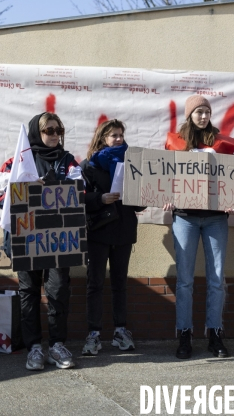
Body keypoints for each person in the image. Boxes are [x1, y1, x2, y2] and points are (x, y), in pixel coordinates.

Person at [0, 112, 82, 370]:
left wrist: (54, 183)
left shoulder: (68, 161)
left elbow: (81, 189)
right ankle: (34, 347)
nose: (55, 135)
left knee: (58, 290)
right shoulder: (17, 160)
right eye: (49, 130)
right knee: (29, 292)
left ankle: (57, 345)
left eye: (59, 130)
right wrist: (26, 187)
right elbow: (2, 198)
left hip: (59, 239)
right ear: (38, 132)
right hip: (26, 239)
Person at [164, 95, 234, 359]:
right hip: (185, 217)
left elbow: (233, 178)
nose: (203, 116)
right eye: (198, 112)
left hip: (216, 218)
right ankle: (184, 333)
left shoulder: (223, 144)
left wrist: (233, 199)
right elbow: (165, 175)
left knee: (216, 278)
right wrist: (166, 196)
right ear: (189, 115)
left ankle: (215, 333)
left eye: (207, 111)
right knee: (184, 280)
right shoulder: (175, 142)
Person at [81, 119, 145, 356]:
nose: (118, 139)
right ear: (102, 138)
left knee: (119, 283)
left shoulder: (132, 163)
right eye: (113, 135)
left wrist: (139, 195)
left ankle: (120, 331)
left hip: (124, 230)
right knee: (94, 283)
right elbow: (79, 198)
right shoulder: (89, 165)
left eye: (120, 135)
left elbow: (140, 202)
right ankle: (94, 334)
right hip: (98, 232)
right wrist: (101, 199)